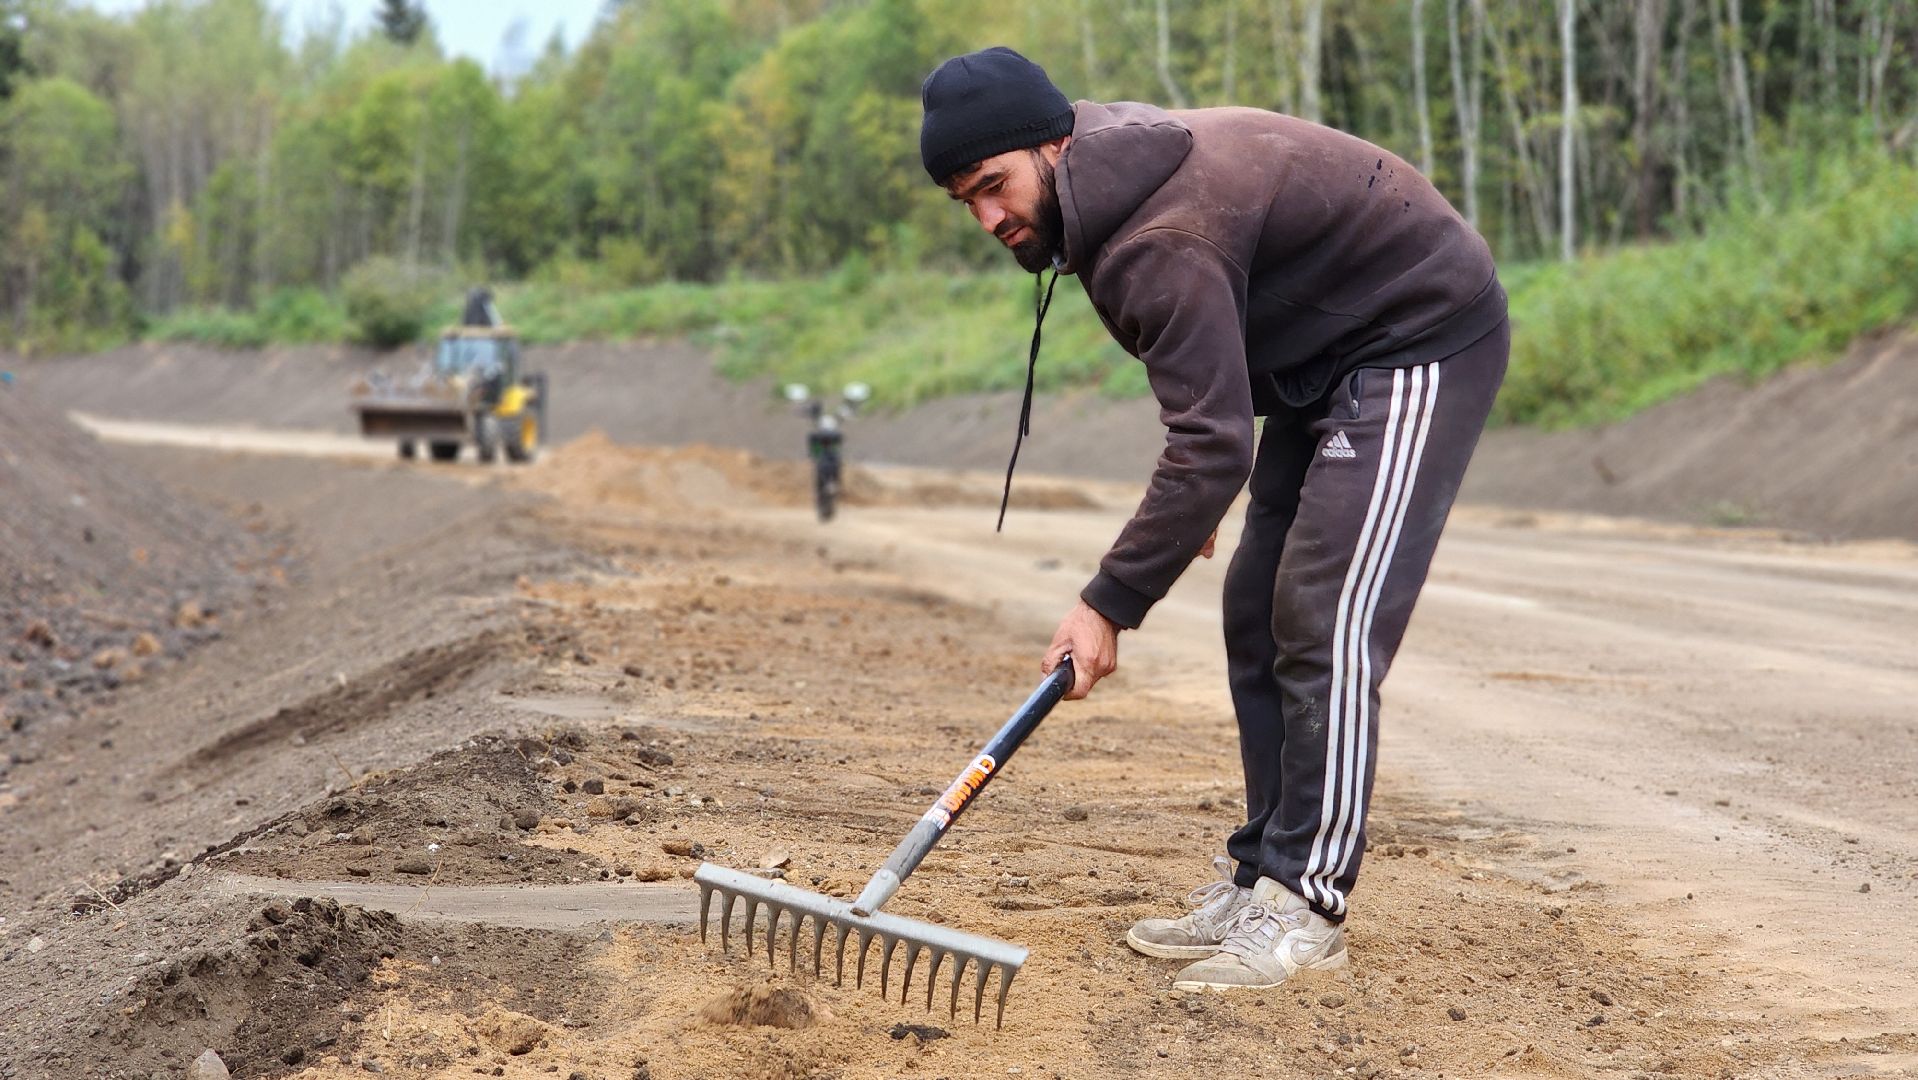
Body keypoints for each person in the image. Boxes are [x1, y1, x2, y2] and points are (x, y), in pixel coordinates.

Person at [918, 47, 1509, 992]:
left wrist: (1106, 604)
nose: (988, 218)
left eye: (994, 185)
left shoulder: (1153, 236)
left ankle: (1306, 903)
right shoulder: (1100, 185)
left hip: (1418, 332)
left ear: (1055, 144)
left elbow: (1210, 446)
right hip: (1316, 359)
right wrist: (1190, 503)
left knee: (1324, 611)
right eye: (966, 202)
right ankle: (1262, 875)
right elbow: (1206, 423)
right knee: (1254, 605)